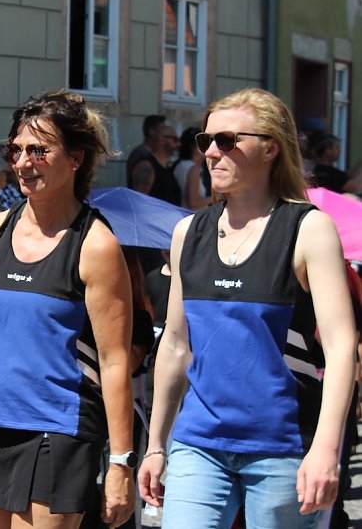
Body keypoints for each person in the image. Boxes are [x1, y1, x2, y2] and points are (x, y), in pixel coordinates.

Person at [138, 88, 357, 529]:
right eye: (206, 142)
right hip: (198, 443)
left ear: (271, 147)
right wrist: (156, 445)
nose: (211, 154)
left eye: (226, 140)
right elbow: (176, 344)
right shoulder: (188, 233)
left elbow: (340, 346)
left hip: (283, 447)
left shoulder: (308, 229)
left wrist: (325, 450)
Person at [0, 89, 135, 528]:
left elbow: (115, 361)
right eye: (17, 150)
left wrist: (120, 462)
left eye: (39, 151)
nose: (23, 163)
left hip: (59, 430)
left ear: (76, 158)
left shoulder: (95, 245)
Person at [126, 115, 181, 205]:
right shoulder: (145, 161)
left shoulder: (163, 164)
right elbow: (138, 202)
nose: (178, 144)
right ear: (162, 139)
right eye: (175, 139)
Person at [172, 127, 211, 210]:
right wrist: (216, 198)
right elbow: (193, 204)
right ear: (192, 146)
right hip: (192, 217)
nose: (207, 147)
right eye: (202, 143)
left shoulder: (178, 165)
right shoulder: (193, 169)